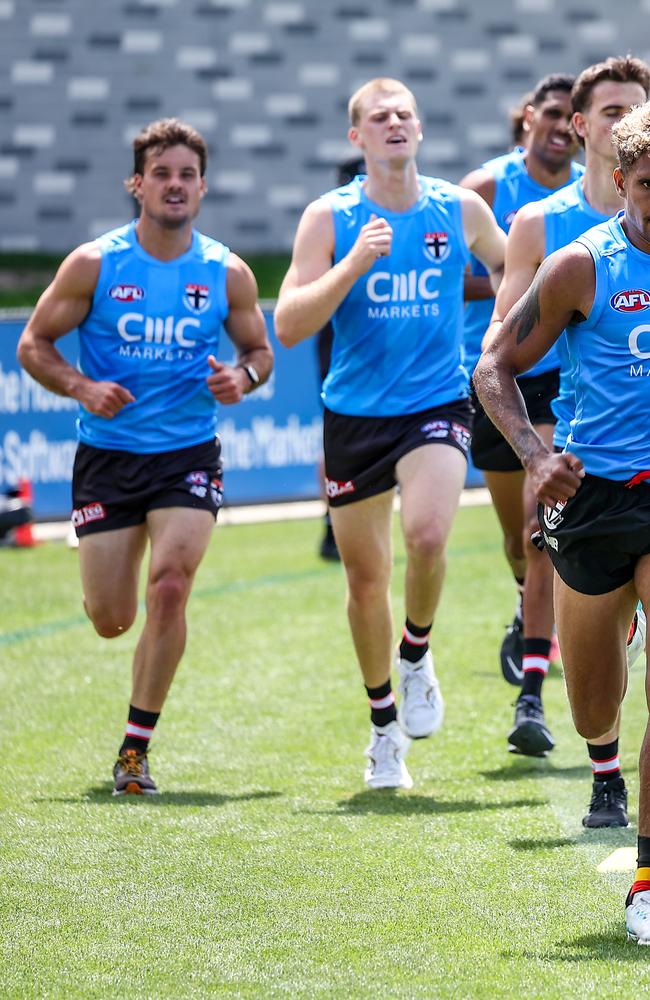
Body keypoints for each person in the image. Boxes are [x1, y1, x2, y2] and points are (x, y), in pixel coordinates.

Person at [17, 118, 273, 795]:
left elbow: (261, 352)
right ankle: (114, 598)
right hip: (107, 457)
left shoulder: (226, 271)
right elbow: (33, 345)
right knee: (112, 619)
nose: (175, 185)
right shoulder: (95, 264)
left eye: (187, 174)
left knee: (170, 585)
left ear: (203, 187)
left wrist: (241, 380)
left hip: (188, 454)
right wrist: (80, 386)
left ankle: (135, 748)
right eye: (161, 173)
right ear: (137, 183)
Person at [274, 78, 505, 789]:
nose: (395, 123)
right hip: (354, 413)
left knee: (429, 535)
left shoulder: (457, 207)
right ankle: (382, 731)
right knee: (365, 578)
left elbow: (508, 268)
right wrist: (353, 263)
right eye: (380, 117)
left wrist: (500, 333)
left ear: (421, 129)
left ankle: (417, 652)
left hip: (436, 401)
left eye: (405, 113)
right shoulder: (330, 217)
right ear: (358, 139)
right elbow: (288, 324)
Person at [474, 98, 650, 945]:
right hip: (593, 500)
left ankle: (646, 883)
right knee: (591, 708)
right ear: (622, 181)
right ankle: (604, 751)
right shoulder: (584, 266)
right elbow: (494, 368)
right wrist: (535, 456)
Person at [460, 74, 583, 751]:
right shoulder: (489, 190)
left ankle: (530, 701)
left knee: (541, 527)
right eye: (554, 115)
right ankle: (524, 605)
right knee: (517, 537)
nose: (563, 128)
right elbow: (451, 268)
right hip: (498, 372)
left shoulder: (608, 192)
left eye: (576, 117)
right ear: (529, 118)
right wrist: (535, 279)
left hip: (564, 377)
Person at [317, 156, 365, 563]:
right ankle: (331, 521)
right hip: (339, 339)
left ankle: (333, 523)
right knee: (330, 425)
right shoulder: (334, 219)